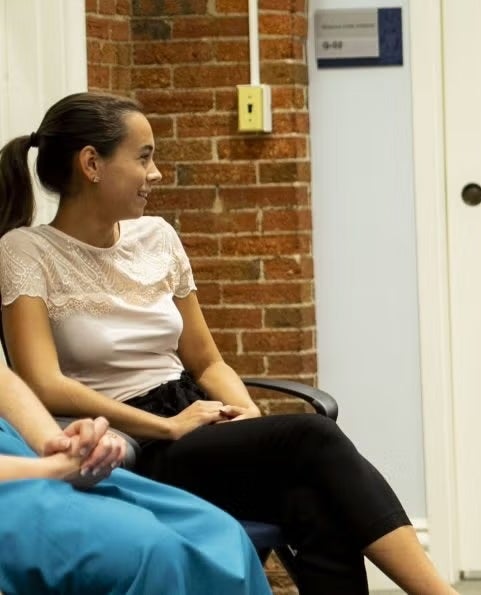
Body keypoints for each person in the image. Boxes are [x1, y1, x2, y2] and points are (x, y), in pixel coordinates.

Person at [0, 92, 457, 595]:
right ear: (92, 164)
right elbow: (43, 383)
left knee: (312, 500)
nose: (156, 173)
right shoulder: (26, 251)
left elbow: (207, 361)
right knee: (313, 437)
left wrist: (250, 423)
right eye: (144, 157)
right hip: (127, 438)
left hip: (192, 419)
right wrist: (168, 426)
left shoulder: (157, 237)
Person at [0, 360, 272, 594]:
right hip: (12, 481)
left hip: (24, 453)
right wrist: (52, 469)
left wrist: (62, 446)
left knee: (220, 533)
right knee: (153, 553)